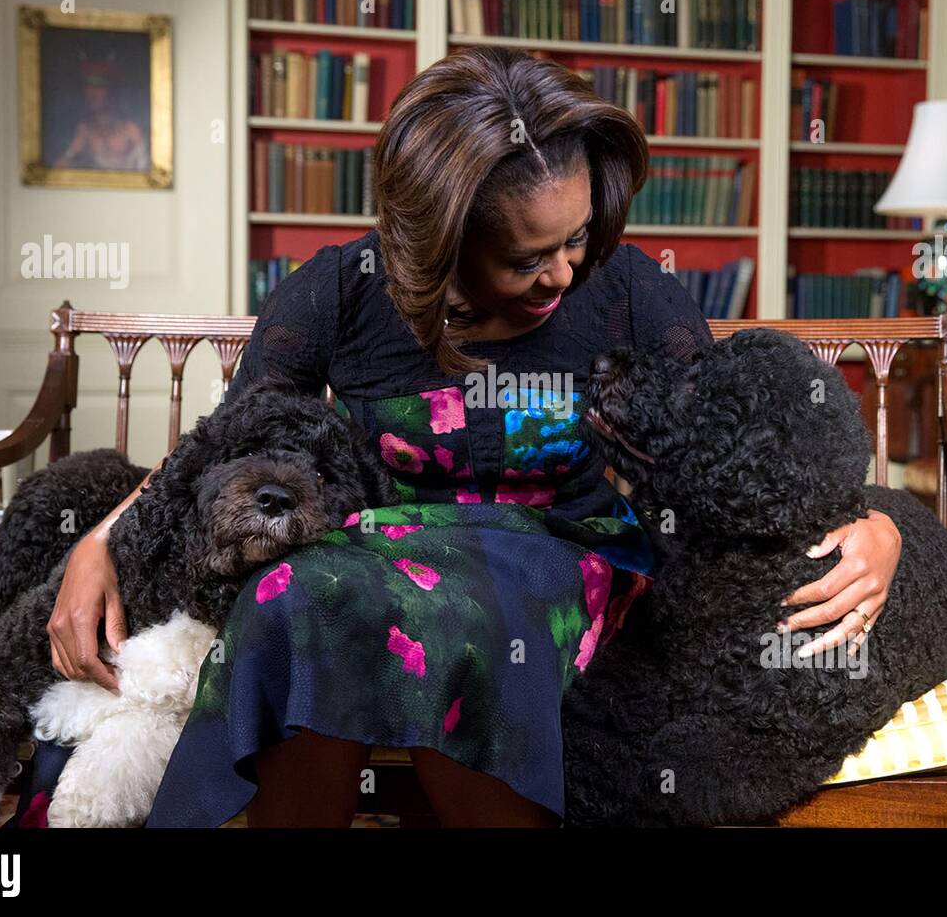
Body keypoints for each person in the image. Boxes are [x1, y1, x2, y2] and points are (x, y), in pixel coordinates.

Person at [47, 47, 902, 828]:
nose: (564, 271)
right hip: (371, 551)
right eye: (529, 256)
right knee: (295, 598)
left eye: (573, 239)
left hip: (565, 553)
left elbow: (734, 442)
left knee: (461, 615)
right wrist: (101, 539)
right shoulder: (342, 292)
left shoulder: (629, 291)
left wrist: (876, 522)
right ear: (439, 244)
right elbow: (229, 444)